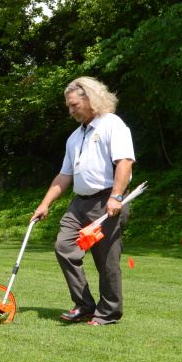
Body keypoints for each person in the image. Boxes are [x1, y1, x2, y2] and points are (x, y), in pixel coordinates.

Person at [31, 77, 136, 326]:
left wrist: (116, 196)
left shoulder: (112, 125)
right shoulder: (74, 138)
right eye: (68, 106)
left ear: (90, 99)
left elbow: (124, 162)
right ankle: (84, 305)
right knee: (64, 247)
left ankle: (109, 313)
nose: (71, 111)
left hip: (107, 200)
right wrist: (44, 204)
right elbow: (64, 175)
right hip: (79, 204)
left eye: (74, 105)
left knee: (106, 261)